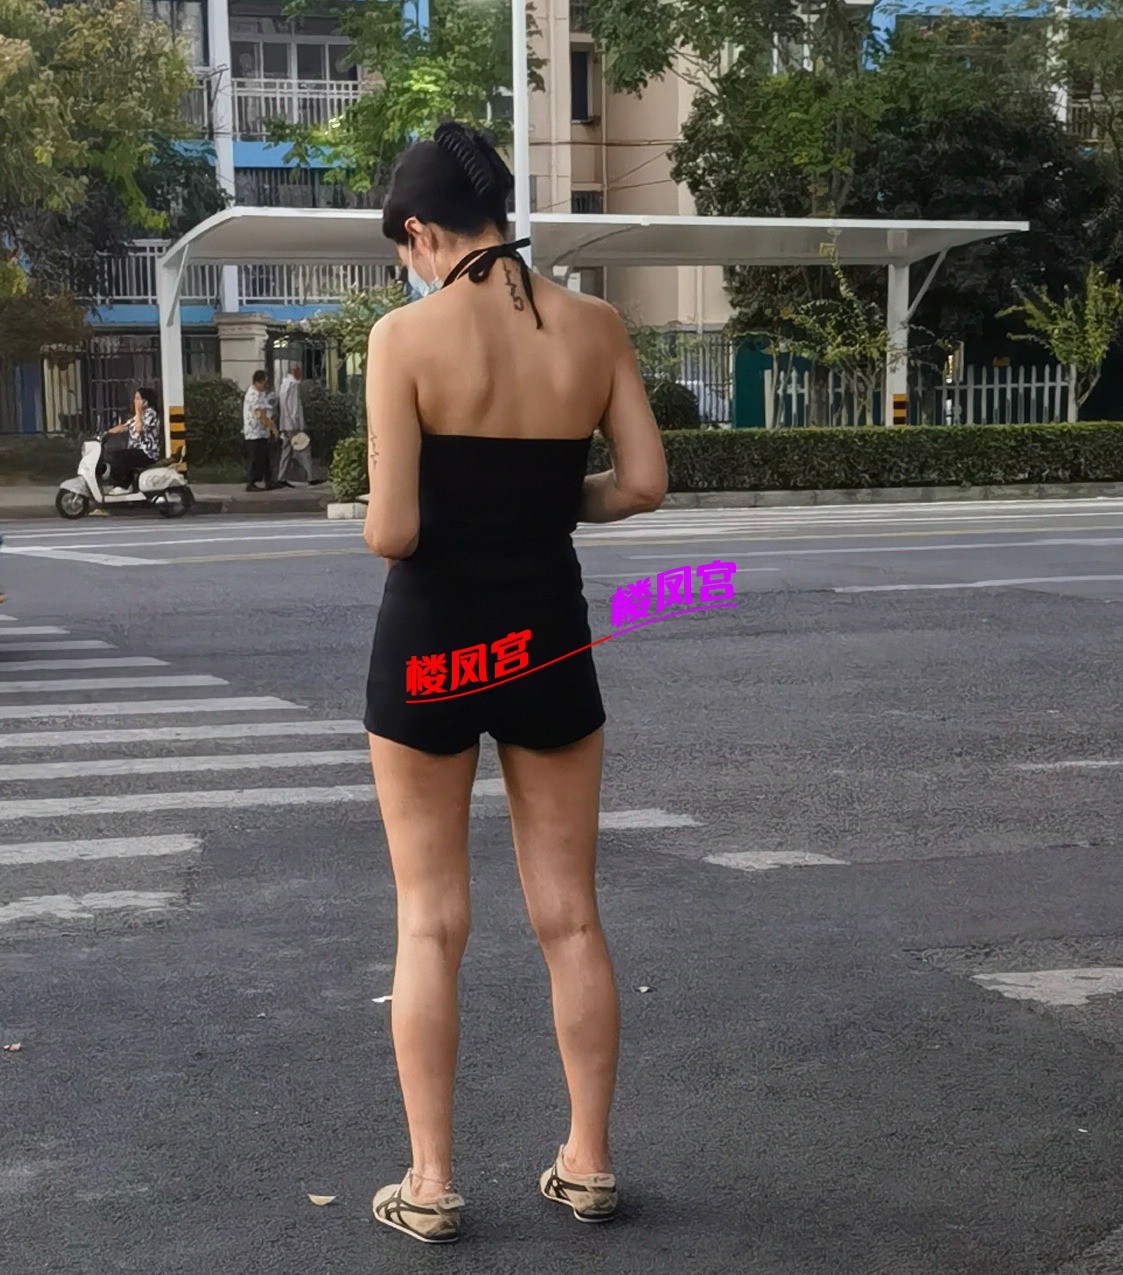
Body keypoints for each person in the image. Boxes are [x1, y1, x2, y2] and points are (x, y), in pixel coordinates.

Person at [363, 121, 667, 1244]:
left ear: (422, 231)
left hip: (433, 643)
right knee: (569, 916)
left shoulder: (403, 337)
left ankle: (431, 1182)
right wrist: (544, 504)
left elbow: (394, 531)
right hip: (546, 640)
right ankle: (587, 1163)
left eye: (404, 248)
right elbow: (643, 483)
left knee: (429, 921)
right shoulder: (595, 326)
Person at [102, 387, 163, 491]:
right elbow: (124, 426)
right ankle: (124, 484)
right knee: (115, 455)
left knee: (118, 457)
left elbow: (139, 428)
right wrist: (107, 434)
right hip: (137, 451)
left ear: (145, 402)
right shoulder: (140, 416)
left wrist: (138, 411)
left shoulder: (151, 413)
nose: (134, 401)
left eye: (137, 398)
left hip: (147, 453)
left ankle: (122, 486)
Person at [275, 362, 314, 486]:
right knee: (303, 448)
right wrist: (292, 424)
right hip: (292, 425)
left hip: (290, 424)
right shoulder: (291, 385)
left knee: (287, 451)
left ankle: (281, 477)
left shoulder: (288, 385)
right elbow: (291, 407)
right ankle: (310, 477)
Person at [242, 370, 282, 492]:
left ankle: (270, 481)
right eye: (264, 383)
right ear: (257, 383)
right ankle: (251, 483)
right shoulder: (253, 395)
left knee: (266, 458)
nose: (266, 386)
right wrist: (272, 428)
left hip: (261, 432)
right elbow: (260, 415)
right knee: (255, 459)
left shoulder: (260, 394)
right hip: (254, 433)